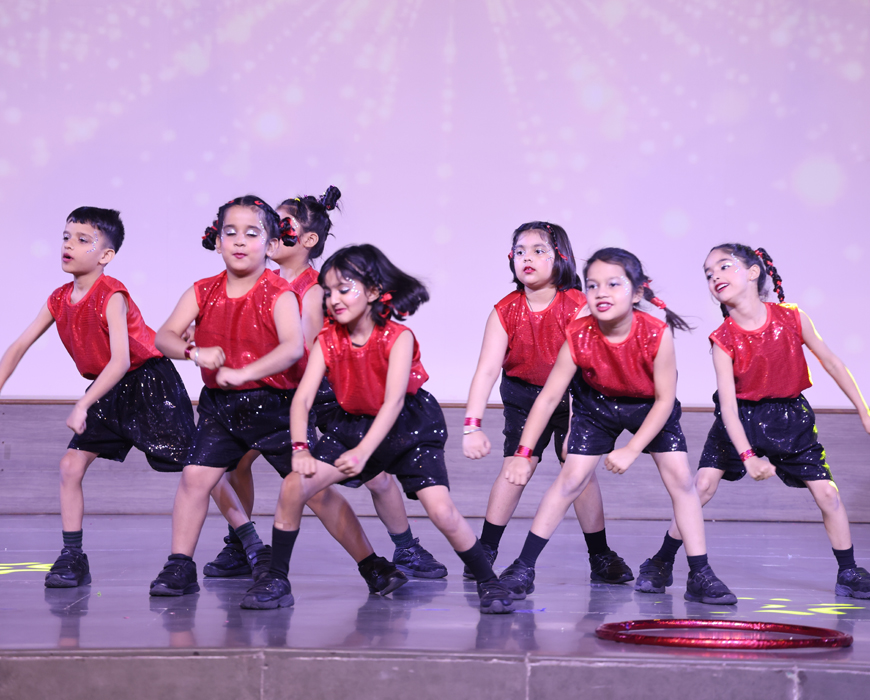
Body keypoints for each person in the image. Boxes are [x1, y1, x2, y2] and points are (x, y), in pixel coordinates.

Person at [149, 197, 403, 597]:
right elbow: (163, 336)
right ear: (217, 241)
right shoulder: (201, 291)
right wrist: (193, 352)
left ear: (270, 245)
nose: (239, 241)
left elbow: (292, 348)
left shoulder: (279, 293)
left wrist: (244, 372)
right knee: (195, 478)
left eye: (252, 233)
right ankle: (179, 565)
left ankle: (373, 565)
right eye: (230, 232)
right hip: (221, 407)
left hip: (275, 407)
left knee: (313, 490)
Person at [240, 244, 515, 613]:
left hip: (408, 429)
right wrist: (301, 448)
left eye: (345, 289)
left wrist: (363, 453)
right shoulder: (327, 340)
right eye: (329, 291)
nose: (334, 299)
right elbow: (303, 400)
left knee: (441, 510)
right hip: (353, 425)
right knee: (294, 484)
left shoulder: (398, 337)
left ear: (372, 291)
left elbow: (393, 402)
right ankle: (276, 578)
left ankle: (488, 581)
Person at [205, 188, 445, 580]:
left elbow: (310, 352)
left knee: (374, 476)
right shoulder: (262, 282)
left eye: (283, 225)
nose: (273, 231)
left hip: (325, 395)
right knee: (231, 464)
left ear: (308, 239)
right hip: (275, 396)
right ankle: (242, 543)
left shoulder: (317, 289)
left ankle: (406, 547)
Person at [497, 247, 736, 605]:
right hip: (597, 405)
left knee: (681, 480)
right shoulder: (578, 334)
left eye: (613, 284)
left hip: (649, 406)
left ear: (637, 292)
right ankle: (523, 566)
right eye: (592, 285)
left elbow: (664, 400)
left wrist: (632, 449)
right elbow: (548, 398)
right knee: (571, 478)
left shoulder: (656, 333)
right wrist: (522, 452)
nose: (601, 293)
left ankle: (700, 573)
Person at [642, 244, 870, 599]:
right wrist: (747, 456)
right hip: (741, 419)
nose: (715, 276)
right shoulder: (723, 339)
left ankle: (849, 571)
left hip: (790, 419)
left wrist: (864, 411)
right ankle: (661, 561)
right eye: (708, 273)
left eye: (724, 266)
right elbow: (728, 408)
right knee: (702, 487)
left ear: (753, 272)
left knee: (828, 494)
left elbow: (833, 363)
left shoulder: (793, 317)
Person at [0, 207, 195, 587]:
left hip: (149, 383)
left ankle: (249, 544)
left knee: (198, 470)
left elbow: (121, 360)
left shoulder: (111, 294)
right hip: (109, 388)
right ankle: (73, 556)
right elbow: (18, 346)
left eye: (82, 240)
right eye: (66, 237)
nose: (69, 245)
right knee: (70, 466)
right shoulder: (58, 298)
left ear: (106, 255)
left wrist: (82, 404)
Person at [462, 222, 630, 583]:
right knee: (515, 467)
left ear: (561, 258)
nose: (528, 258)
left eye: (539, 251)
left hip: (575, 397)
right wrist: (471, 426)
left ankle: (600, 555)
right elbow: (486, 371)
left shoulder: (578, 306)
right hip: (523, 396)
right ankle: (485, 548)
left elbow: (581, 372)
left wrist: (573, 429)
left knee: (579, 470)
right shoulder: (504, 311)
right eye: (520, 251)